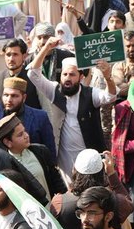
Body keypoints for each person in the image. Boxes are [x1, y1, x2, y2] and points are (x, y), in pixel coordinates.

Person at [28, 45, 115, 176]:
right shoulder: (54, 90)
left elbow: (110, 96)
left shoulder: (90, 93)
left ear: (80, 77)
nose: (67, 78)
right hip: (64, 158)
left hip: (89, 156)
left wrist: (108, 77)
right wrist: (46, 48)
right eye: (65, 74)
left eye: (72, 75)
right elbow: (33, 73)